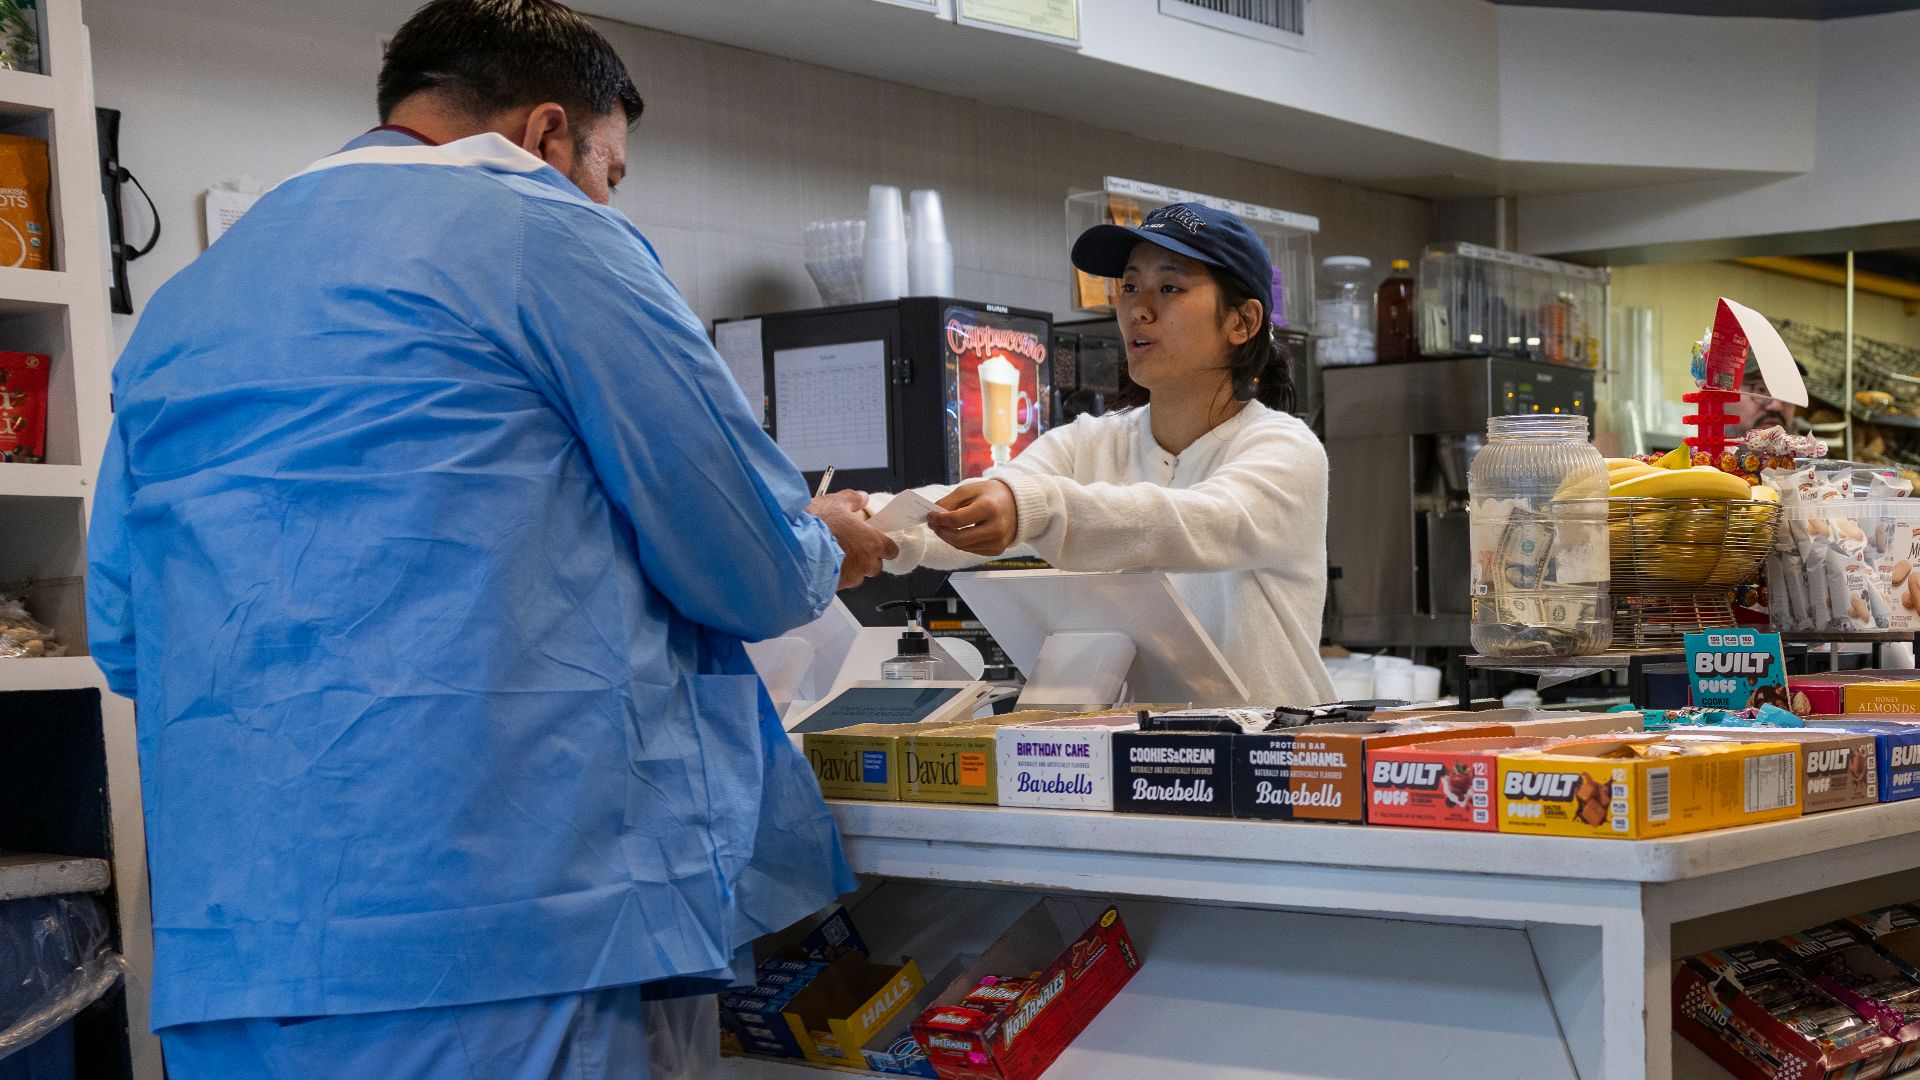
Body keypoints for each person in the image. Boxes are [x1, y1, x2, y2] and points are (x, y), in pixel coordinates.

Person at [84, 1, 894, 1075]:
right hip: (510, 936)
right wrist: (825, 540)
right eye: (609, 171)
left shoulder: (184, 305)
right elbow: (746, 566)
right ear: (547, 133)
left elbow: (124, 636)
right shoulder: (547, 233)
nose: (605, 197)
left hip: (240, 954)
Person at [876, 203, 1336, 707]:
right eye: (1130, 286)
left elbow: (1197, 522)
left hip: (1275, 748)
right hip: (1133, 745)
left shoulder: (1284, 449)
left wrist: (1032, 509)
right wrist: (872, 527)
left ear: (1242, 321)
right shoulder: (1091, 442)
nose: (1138, 309)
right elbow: (979, 502)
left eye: (1169, 288)